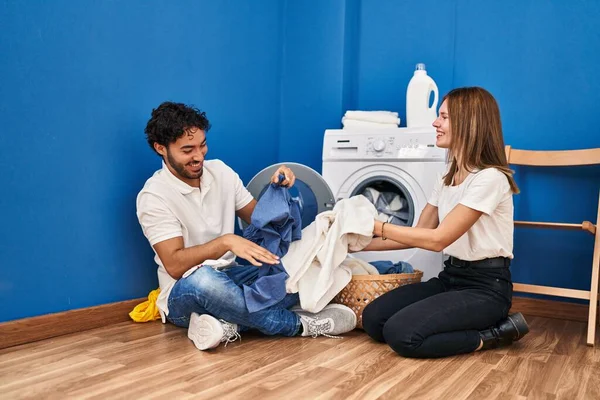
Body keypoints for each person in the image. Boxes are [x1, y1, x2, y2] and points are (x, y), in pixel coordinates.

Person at [136, 102, 356, 351]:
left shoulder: (220, 172)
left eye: (202, 145)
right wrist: (225, 242)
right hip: (185, 291)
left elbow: (262, 220)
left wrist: (278, 189)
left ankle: (227, 322)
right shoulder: (154, 196)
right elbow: (175, 266)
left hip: (233, 276)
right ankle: (296, 324)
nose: (199, 156)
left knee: (302, 265)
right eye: (187, 150)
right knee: (205, 281)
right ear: (161, 148)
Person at [361, 87, 529, 358]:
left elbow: (439, 239)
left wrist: (378, 226)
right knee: (373, 320)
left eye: (444, 117)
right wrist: (355, 245)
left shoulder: (490, 179)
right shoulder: (447, 178)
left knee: (401, 335)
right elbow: (419, 234)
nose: (435, 123)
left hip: (486, 288)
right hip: (451, 278)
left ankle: (493, 334)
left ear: (469, 123)